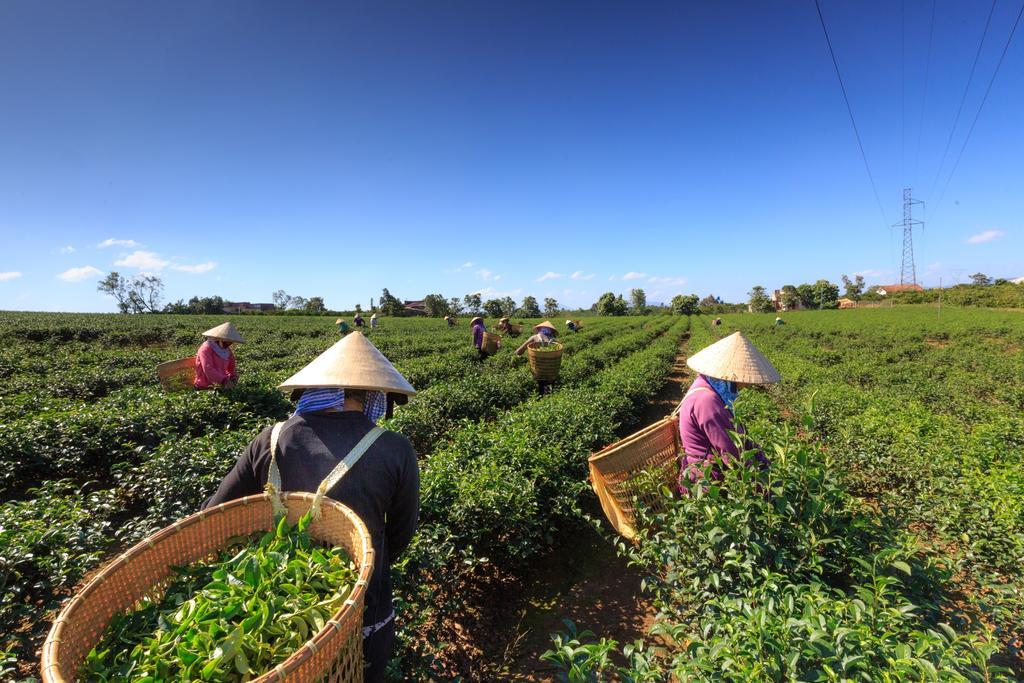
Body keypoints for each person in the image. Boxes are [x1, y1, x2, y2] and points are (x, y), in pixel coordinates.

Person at [203, 332, 419, 683]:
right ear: (374, 396)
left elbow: (214, 513)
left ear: (315, 391)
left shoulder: (268, 439)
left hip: (272, 618)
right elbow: (400, 534)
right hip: (363, 608)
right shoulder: (394, 449)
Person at [677, 331, 779, 491]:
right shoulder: (707, 401)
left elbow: (737, 440)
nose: (745, 385)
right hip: (707, 485)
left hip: (713, 474)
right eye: (743, 379)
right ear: (730, 376)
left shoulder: (706, 385)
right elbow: (732, 455)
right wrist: (765, 487)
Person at [194, 322, 244, 390]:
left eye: (231, 342)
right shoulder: (206, 349)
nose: (229, 344)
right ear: (219, 339)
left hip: (220, 385)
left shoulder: (226, 350)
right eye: (228, 341)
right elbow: (208, 368)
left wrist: (233, 376)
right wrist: (224, 381)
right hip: (205, 386)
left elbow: (232, 366)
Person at [516, 320, 559, 395]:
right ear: (551, 331)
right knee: (550, 390)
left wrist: (515, 356)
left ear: (539, 329)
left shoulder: (534, 338)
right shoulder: (554, 342)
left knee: (541, 389)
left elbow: (519, 351)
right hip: (552, 370)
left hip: (538, 370)